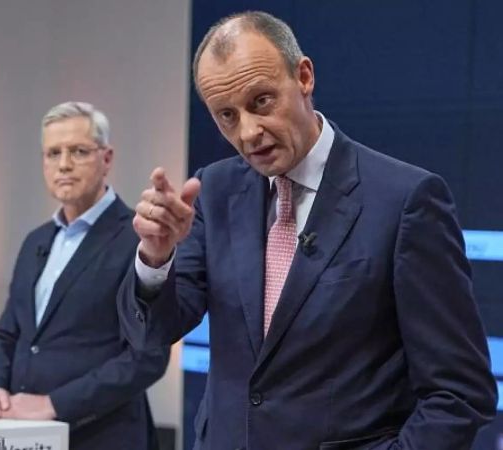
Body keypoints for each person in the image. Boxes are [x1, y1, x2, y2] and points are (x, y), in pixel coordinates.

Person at [118, 11, 497, 450]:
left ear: (303, 76)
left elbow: (460, 393)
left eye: (261, 101)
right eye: (226, 115)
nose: (248, 132)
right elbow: (151, 335)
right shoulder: (216, 189)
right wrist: (155, 258)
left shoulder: (406, 200)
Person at [0, 101, 169, 450]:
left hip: (103, 438)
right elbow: (8, 333)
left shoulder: (139, 238)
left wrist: (54, 404)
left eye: (78, 151)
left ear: (106, 159)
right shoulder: (36, 241)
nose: (63, 164)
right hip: (24, 437)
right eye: (53, 153)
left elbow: (147, 357)